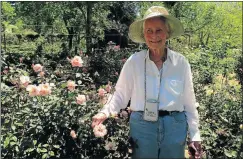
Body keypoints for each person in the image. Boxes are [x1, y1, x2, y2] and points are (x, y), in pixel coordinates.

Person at [92, 6, 202, 159]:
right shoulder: (134, 62)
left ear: (167, 32)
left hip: (174, 127)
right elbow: (120, 94)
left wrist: (195, 135)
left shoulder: (181, 63)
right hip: (142, 127)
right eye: (149, 30)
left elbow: (189, 102)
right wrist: (105, 112)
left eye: (159, 30)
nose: (154, 35)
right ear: (144, 35)